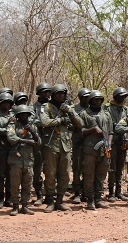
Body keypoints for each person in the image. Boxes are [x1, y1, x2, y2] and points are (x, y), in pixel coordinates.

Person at [40, 84, 82, 212]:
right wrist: (60, 120)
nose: (61, 96)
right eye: (58, 93)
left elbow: (80, 124)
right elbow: (44, 122)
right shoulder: (46, 107)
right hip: (51, 145)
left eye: (63, 93)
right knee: (50, 174)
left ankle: (60, 201)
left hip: (65, 146)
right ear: (52, 94)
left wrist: (70, 112)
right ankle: (50, 201)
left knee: (64, 174)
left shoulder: (68, 108)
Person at [78, 90, 112, 210]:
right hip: (90, 150)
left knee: (101, 175)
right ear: (91, 101)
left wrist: (109, 144)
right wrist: (92, 130)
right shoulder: (84, 114)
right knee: (88, 175)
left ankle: (98, 198)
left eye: (99, 100)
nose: (97, 102)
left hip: (104, 149)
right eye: (95, 100)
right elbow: (80, 132)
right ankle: (90, 200)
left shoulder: (106, 114)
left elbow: (111, 132)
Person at [7, 105, 41, 216]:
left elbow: (38, 142)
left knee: (27, 184)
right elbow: (11, 137)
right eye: (21, 114)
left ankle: (25, 206)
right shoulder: (13, 125)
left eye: (26, 114)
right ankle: (15, 206)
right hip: (16, 159)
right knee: (15, 184)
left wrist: (32, 132)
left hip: (28, 160)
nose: (24, 116)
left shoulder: (32, 127)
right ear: (17, 115)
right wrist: (26, 141)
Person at [106, 87, 128, 202]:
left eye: (124, 97)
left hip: (123, 142)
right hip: (113, 141)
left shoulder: (126, 110)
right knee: (112, 168)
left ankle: (118, 192)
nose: (123, 99)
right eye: (121, 96)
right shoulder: (108, 109)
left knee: (120, 168)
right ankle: (111, 192)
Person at [0, 92, 15, 209]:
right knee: (0, 174)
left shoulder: (14, 114)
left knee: (11, 174)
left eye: (8, 103)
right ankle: (0, 198)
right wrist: (8, 127)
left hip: (11, 147)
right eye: (4, 103)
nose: (6, 105)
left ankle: (9, 198)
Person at [31, 82, 51, 206]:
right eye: (44, 92)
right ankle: (39, 194)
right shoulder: (33, 107)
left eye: (48, 92)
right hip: (38, 141)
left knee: (50, 169)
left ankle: (50, 194)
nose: (47, 94)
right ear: (39, 93)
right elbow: (33, 120)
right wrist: (46, 122)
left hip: (51, 141)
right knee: (37, 169)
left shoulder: (51, 106)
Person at [71, 88, 91, 204]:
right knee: (77, 168)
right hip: (78, 142)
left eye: (88, 97)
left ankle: (86, 192)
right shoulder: (74, 109)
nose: (87, 99)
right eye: (84, 97)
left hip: (90, 143)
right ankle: (77, 193)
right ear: (80, 98)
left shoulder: (92, 109)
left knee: (88, 168)